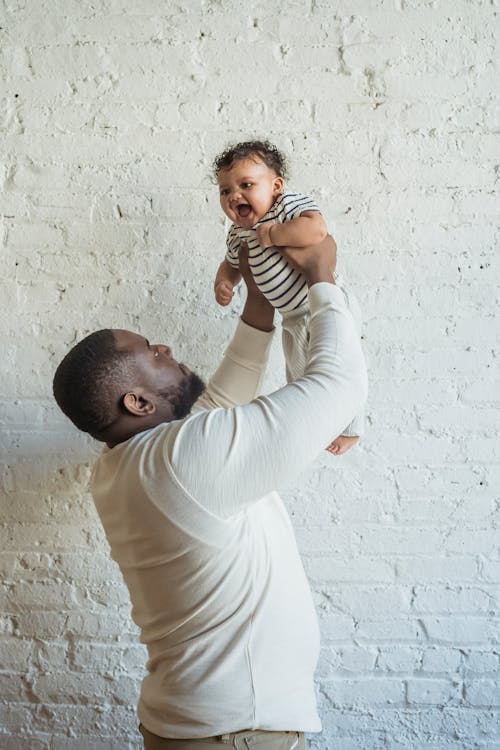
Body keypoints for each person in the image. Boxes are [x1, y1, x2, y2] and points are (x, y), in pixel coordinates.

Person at [52, 237, 367, 750]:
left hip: (205, 726)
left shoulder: (126, 467)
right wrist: (322, 279)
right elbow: (339, 385)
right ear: (136, 401)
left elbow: (220, 401)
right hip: (236, 733)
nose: (165, 348)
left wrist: (259, 300)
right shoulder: (179, 458)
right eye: (149, 351)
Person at [213, 139, 364, 456]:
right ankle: (323, 424)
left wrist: (276, 234)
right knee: (299, 376)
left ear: (276, 186)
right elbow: (231, 263)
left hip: (322, 305)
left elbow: (317, 231)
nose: (234, 195)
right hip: (292, 317)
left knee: (339, 365)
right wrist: (225, 281)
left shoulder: (287, 207)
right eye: (225, 190)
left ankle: (351, 428)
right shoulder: (238, 232)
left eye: (246, 184)